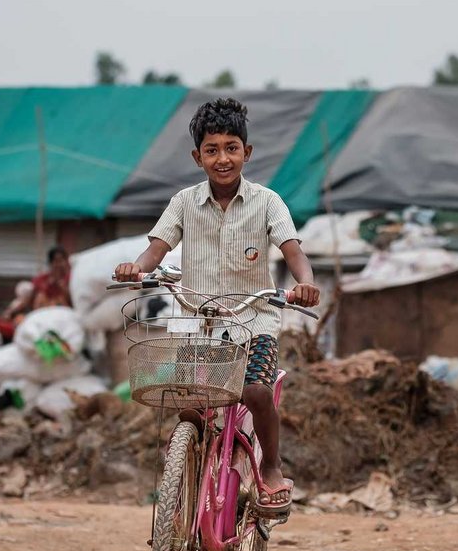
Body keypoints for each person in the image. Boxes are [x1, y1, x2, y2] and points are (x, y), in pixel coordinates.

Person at [115, 97, 320, 517]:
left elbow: (293, 251)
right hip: (196, 321)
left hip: (254, 320)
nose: (222, 158)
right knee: (188, 404)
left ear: (247, 152)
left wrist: (306, 284)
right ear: (198, 157)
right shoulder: (184, 203)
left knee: (257, 392)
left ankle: (272, 467)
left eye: (231, 147)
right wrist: (136, 268)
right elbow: (157, 248)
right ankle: (184, 496)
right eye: (212, 149)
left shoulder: (267, 202)